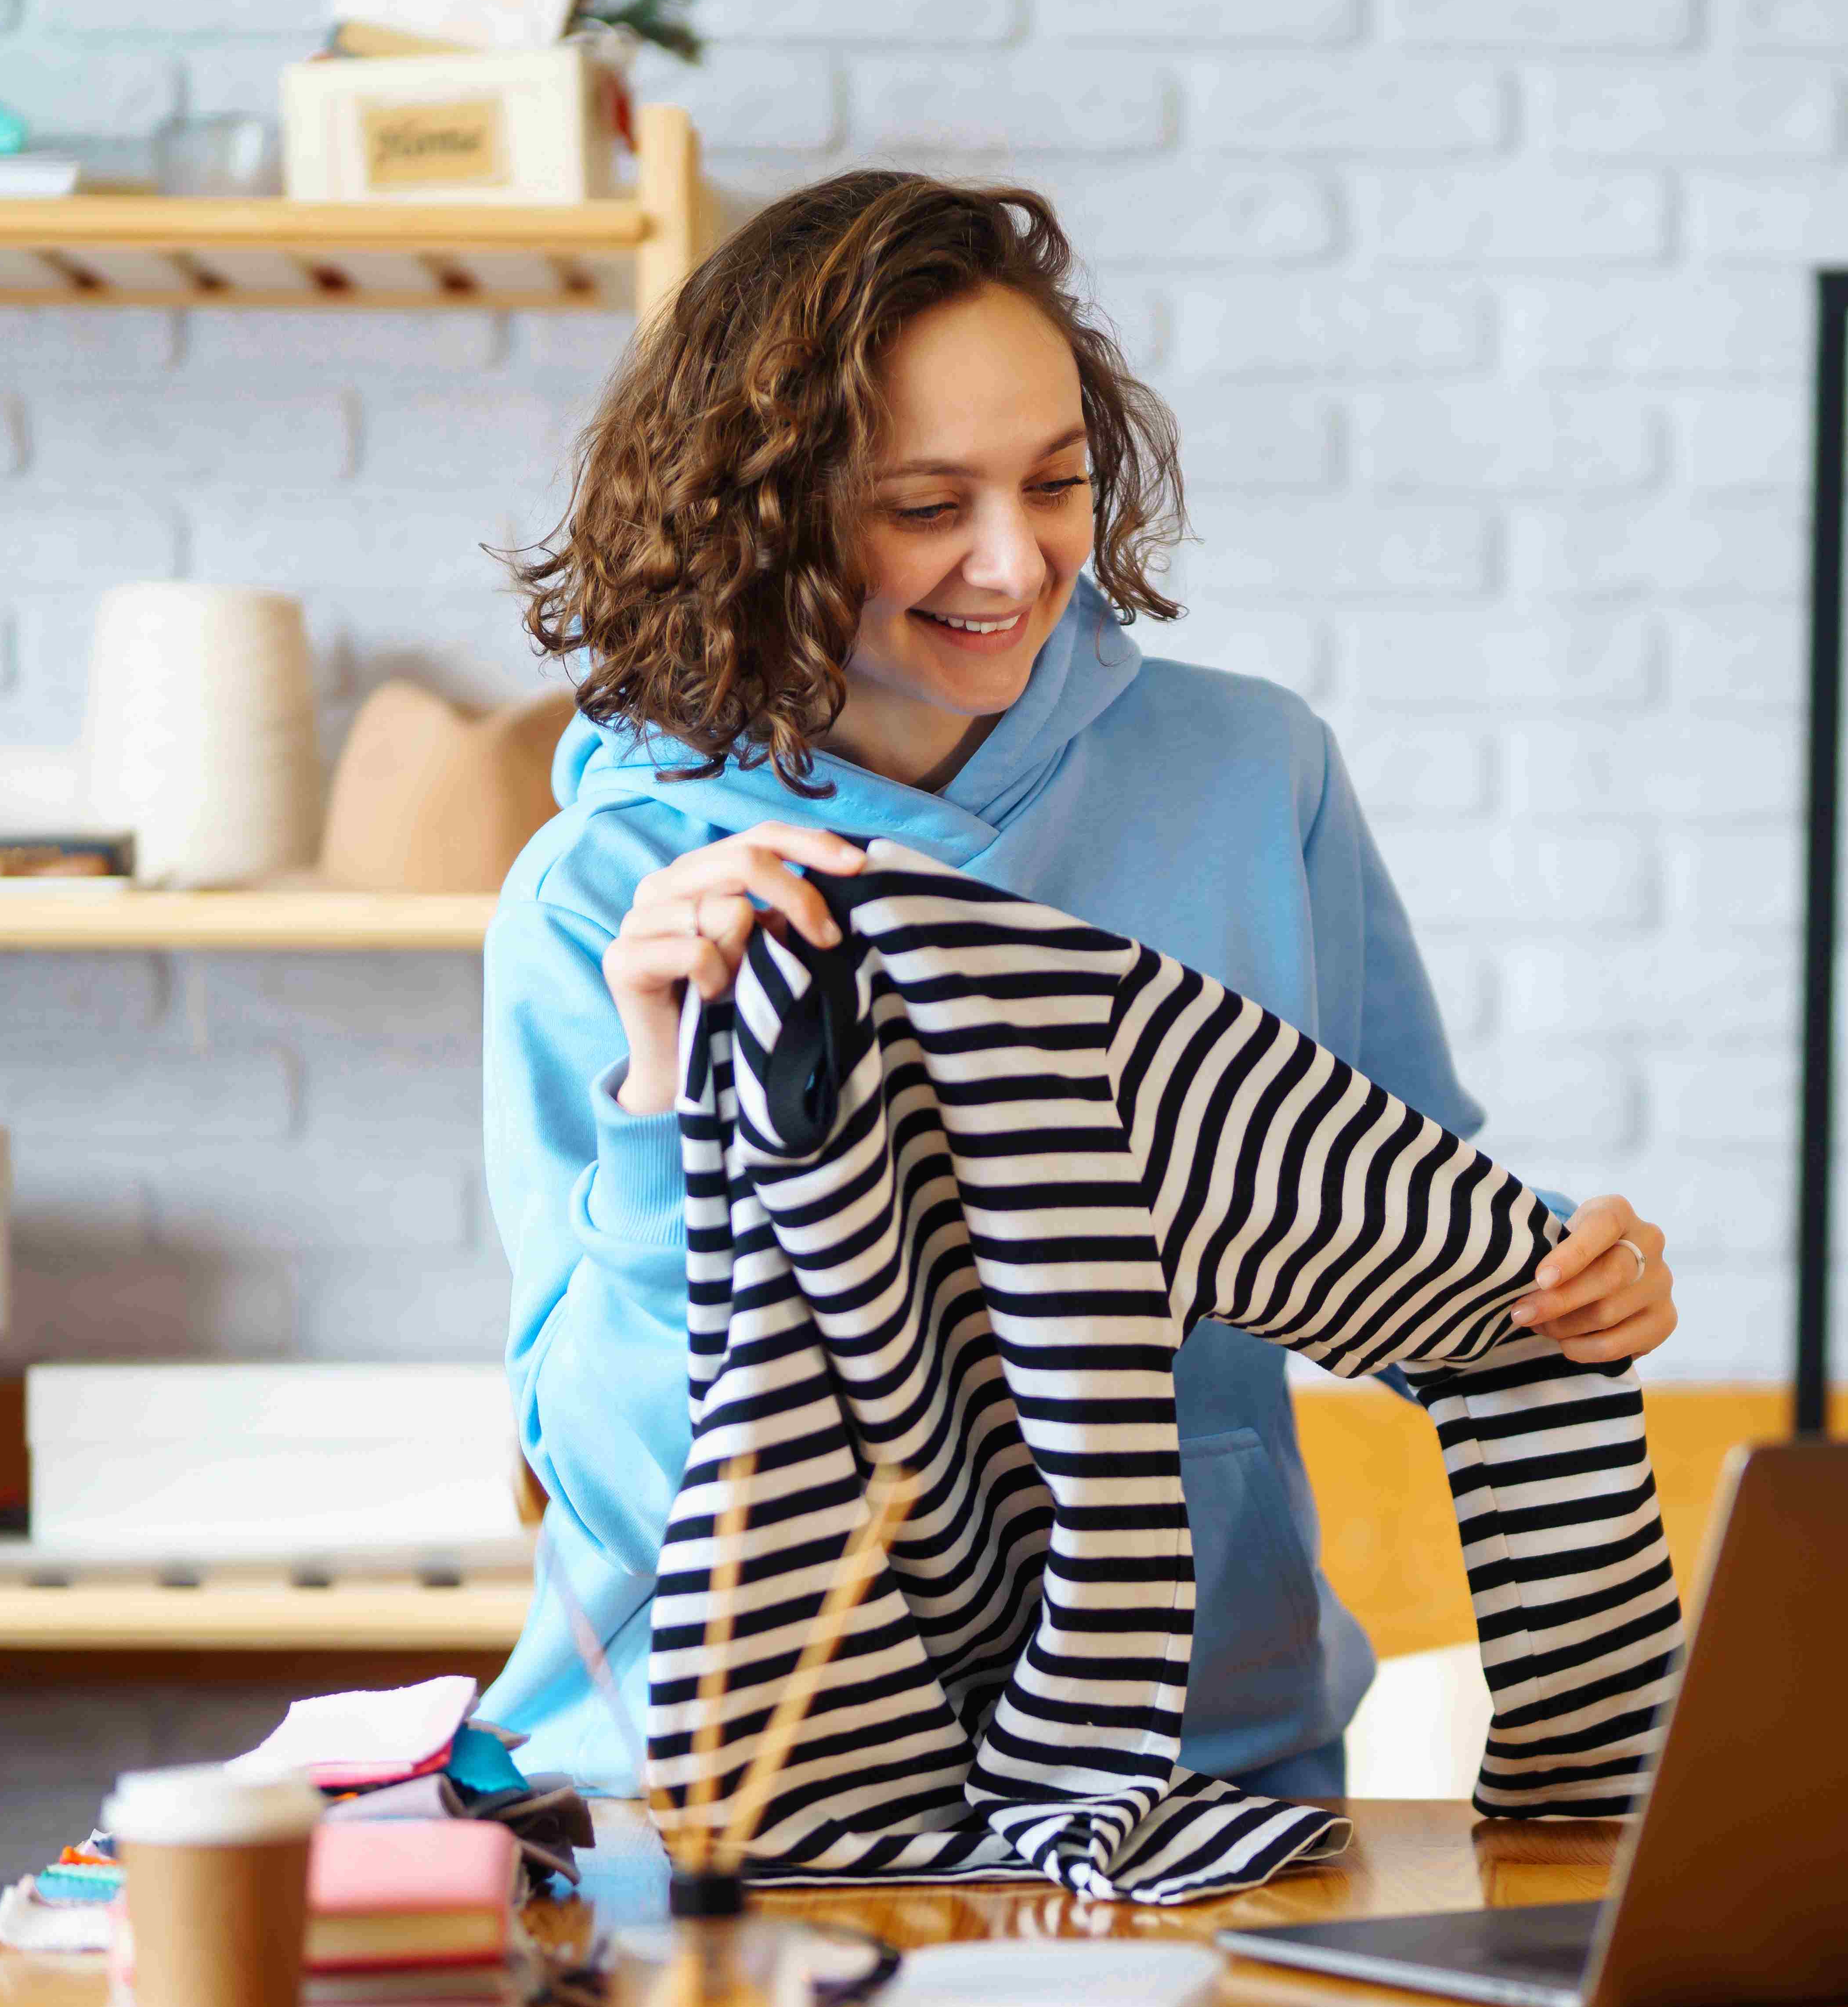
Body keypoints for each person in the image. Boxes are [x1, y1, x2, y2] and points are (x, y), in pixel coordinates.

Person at [478, 170, 1679, 1800]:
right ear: (760, 511)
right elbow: (629, 1487)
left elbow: (1401, 1228)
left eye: (1057, 484)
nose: (1011, 564)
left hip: (1207, 1766)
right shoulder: (611, 899)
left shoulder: (1252, 775)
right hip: (739, 1792)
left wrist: (1559, 1285)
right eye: (923, 505)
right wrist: (662, 1105)